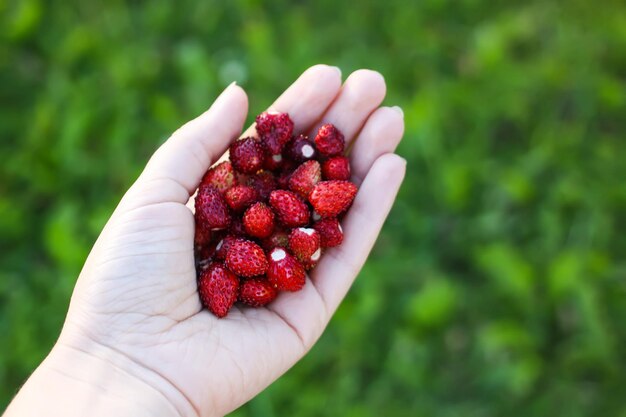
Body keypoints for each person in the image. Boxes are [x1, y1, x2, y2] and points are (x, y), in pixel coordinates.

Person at [3, 65, 406, 417]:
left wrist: (124, 363)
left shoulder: (289, 202)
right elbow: (253, 218)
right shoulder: (250, 217)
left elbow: (272, 220)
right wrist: (128, 361)